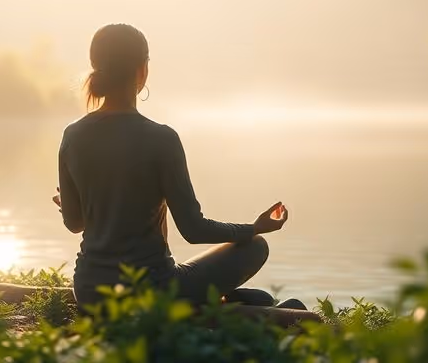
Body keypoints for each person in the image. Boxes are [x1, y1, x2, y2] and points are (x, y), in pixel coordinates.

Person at [54, 24, 304, 310]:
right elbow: (193, 229)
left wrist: (84, 205)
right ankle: (240, 305)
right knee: (256, 246)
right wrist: (254, 227)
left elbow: (75, 223)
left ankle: (239, 301)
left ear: (96, 67)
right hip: (152, 291)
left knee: (256, 297)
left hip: (89, 291)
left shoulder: (72, 135)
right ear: (142, 70)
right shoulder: (161, 138)